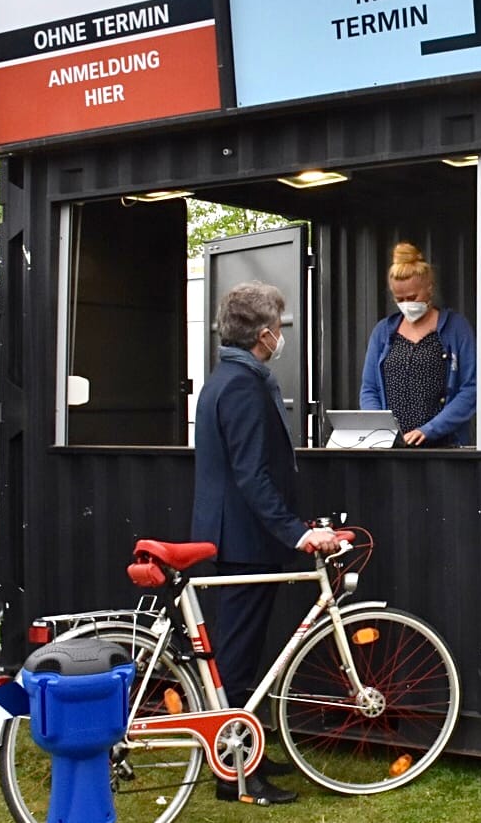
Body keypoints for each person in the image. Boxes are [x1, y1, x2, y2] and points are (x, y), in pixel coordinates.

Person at [192, 280, 338, 806]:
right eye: (279, 326)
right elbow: (252, 476)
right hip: (244, 540)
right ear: (264, 333)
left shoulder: (228, 377)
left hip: (237, 535)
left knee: (244, 655)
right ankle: (234, 775)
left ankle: (244, 750)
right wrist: (298, 532)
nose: (283, 335)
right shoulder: (243, 386)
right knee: (236, 659)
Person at [359, 242, 477, 446]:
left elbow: (471, 388)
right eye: (400, 299)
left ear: (429, 288)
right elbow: (369, 389)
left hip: (446, 447)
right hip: (393, 449)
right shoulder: (383, 332)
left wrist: (431, 429)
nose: (407, 304)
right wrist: (382, 430)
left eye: (413, 297)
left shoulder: (456, 328)